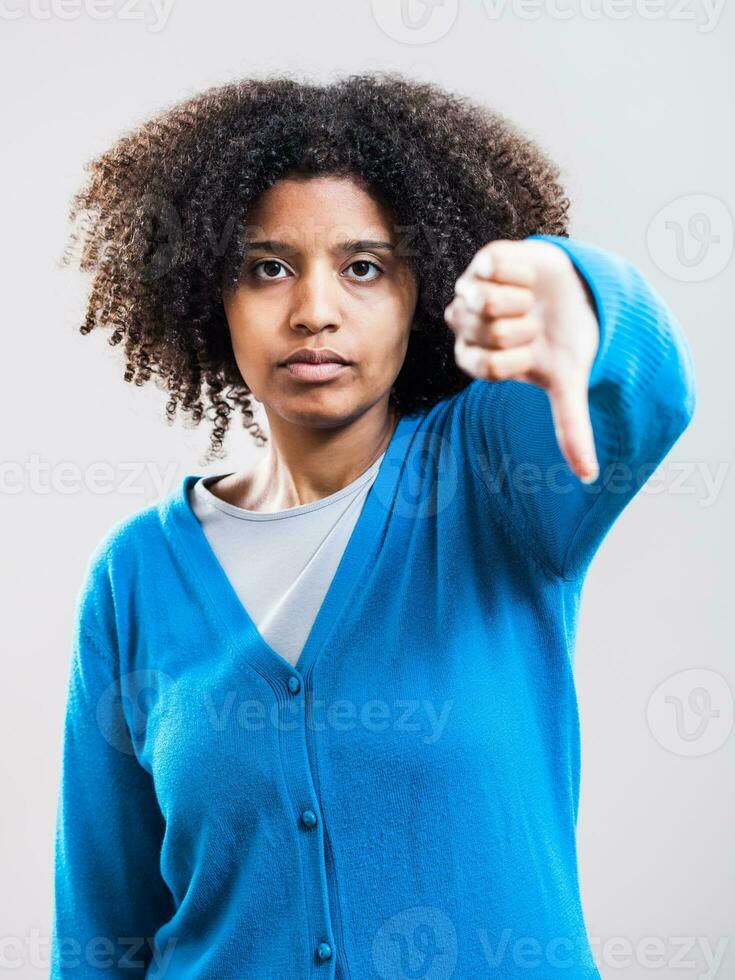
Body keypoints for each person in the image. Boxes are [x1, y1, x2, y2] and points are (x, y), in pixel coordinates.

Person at [51, 72, 696, 979]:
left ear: (418, 293)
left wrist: (574, 287)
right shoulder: (136, 575)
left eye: (364, 267)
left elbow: (650, 394)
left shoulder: (489, 482)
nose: (315, 309)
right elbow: (100, 926)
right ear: (210, 296)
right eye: (267, 267)